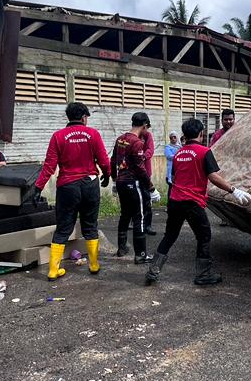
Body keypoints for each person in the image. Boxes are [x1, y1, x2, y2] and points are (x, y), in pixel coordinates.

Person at [146, 117, 251, 286]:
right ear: (201, 134)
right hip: (192, 202)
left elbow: (174, 177)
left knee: (170, 235)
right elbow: (213, 176)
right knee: (204, 235)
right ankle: (203, 274)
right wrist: (234, 190)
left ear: (184, 135)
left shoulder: (179, 153)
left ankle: (153, 270)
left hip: (175, 200)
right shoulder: (204, 151)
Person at [34, 101, 110, 279]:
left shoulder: (58, 136)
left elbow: (49, 166)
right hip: (90, 185)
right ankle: (93, 265)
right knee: (90, 226)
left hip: (67, 187)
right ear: (84, 117)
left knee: (63, 228)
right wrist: (107, 174)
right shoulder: (93, 134)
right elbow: (104, 160)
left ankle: (53, 270)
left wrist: (38, 187)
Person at [111, 112, 159, 264]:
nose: (147, 131)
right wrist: (151, 188)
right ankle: (141, 255)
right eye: (147, 128)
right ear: (144, 125)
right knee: (140, 216)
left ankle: (122, 248)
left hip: (121, 182)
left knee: (125, 215)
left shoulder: (120, 139)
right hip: (133, 183)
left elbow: (113, 160)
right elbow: (140, 168)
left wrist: (114, 180)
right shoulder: (137, 142)